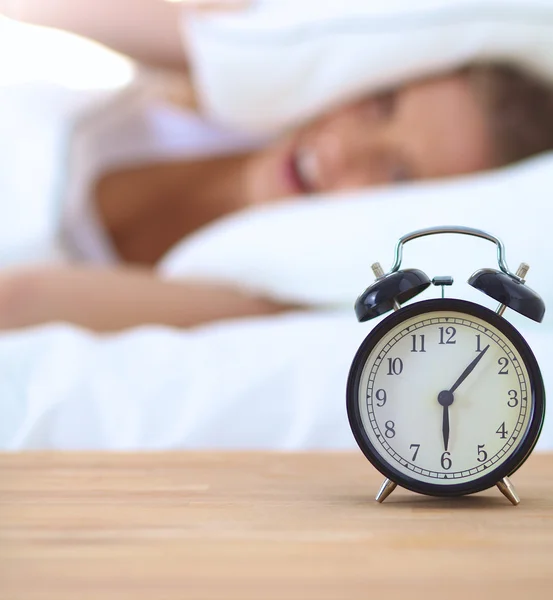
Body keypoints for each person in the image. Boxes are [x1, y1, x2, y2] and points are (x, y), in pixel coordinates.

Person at [2, 4, 553, 332]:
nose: (340, 151)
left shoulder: (243, 296)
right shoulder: (200, 87)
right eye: (381, 103)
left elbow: (17, 302)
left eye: (398, 177)